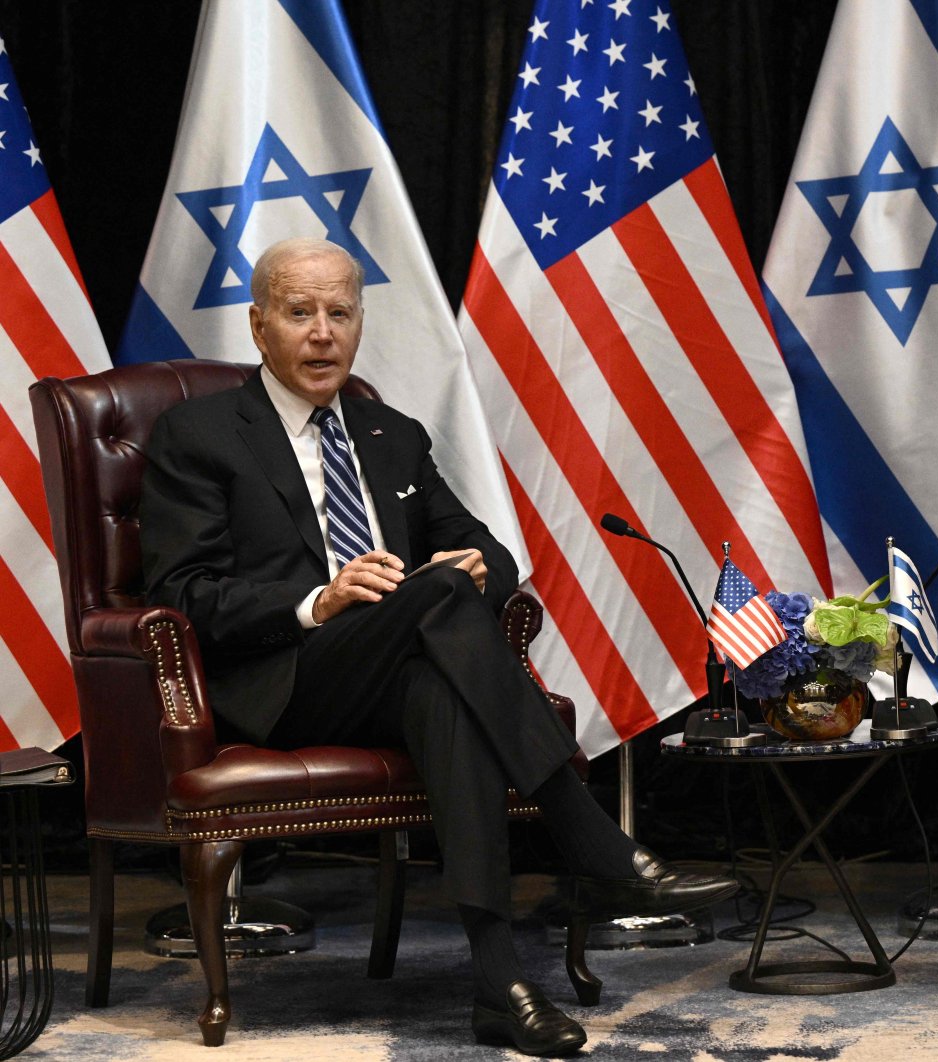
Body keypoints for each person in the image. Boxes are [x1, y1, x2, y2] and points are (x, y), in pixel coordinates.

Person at [140, 237, 737, 1057]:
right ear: (258, 326)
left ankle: (501, 988)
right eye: (299, 312)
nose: (322, 332)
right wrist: (321, 598)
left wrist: (466, 571)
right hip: (287, 678)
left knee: (441, 676)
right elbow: (182, 594)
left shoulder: (394, 434)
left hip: (402, 666)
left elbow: (488, 556)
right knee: (441, 597)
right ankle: (587, 832)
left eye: (340, 313)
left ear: (359, 324)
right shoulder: (199, 433)